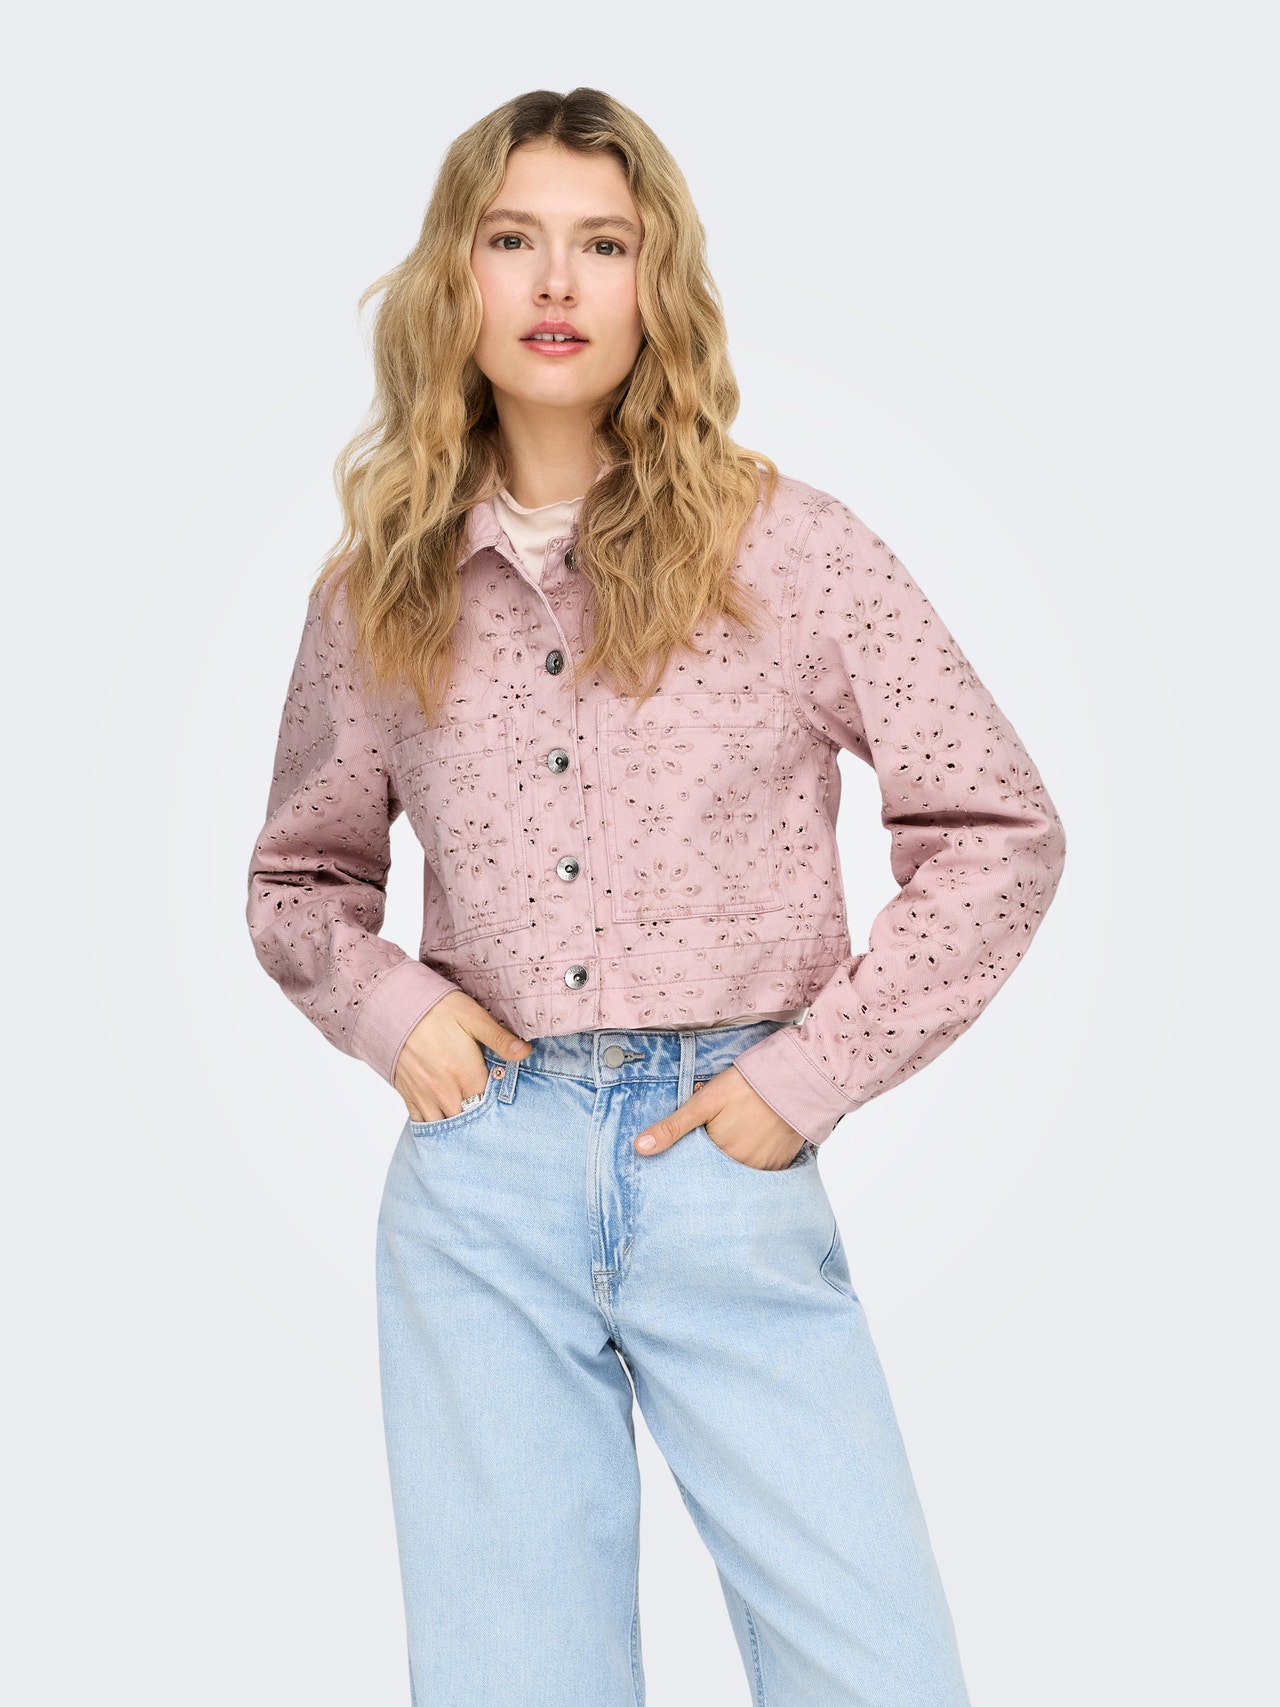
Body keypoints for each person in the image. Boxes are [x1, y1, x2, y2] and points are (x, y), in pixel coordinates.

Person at [246, 85, 1066, 1707]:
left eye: (603, 245)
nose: (557, 283)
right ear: (455, 278)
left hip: (723, 1161)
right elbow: (300, 877)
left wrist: (807, 1077)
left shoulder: (791, 551)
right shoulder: (378, 588)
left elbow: (998, 830)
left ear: (654, 283)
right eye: (514, 239)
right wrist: (393, 1011)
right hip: (482, 1188)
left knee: (878, 1669)